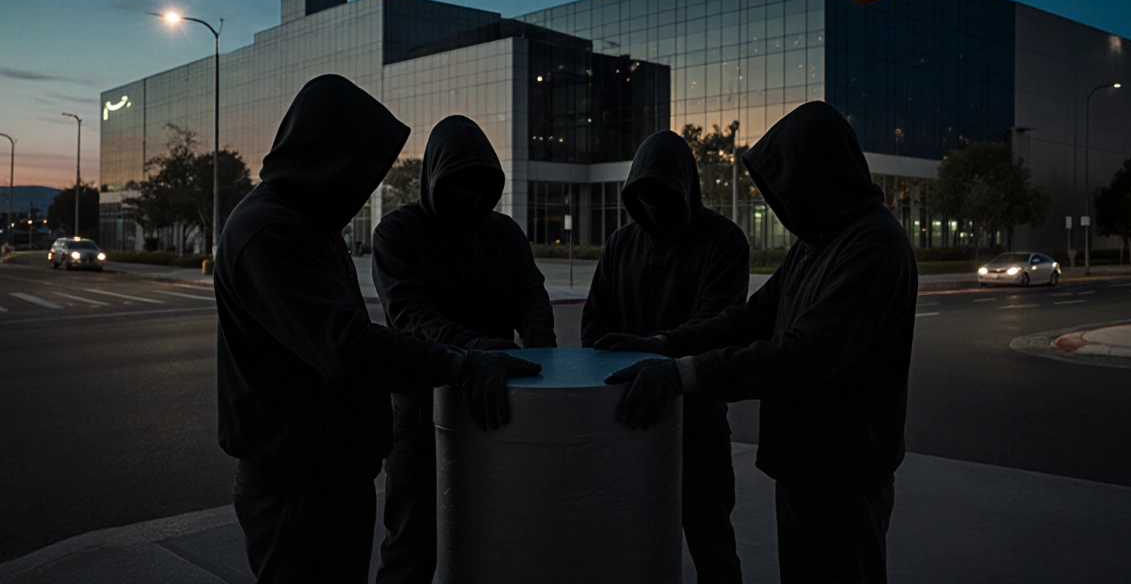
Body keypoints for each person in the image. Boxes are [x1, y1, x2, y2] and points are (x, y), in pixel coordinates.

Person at [215, 75, 540, 583]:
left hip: (334, 473)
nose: (364, 184)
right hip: (296, 483)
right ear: (326, 153)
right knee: (407, 550)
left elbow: (529, 295)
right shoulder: (270, 230)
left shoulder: (308, 226)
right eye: (359, 167)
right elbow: (347, 344)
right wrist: (464, 361)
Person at [598, 101, 918, 583]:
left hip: (844, 472)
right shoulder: (820, 241)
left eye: (790, 190)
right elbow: (751, 318)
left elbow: (805, 353)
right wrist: (661, 344)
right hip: (805, 464)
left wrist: (684, 373)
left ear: (820, 176)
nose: (784, 206)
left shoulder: (872, 245)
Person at [372, 114, 557, 584]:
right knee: (410, 543)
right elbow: (410, 314)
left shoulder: (504, 232)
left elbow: (531, 296)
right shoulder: (397, 233)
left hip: (498, 402)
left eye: (480, 187)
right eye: (457, 186)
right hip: (420, 407)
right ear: (434, 179)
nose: (469, 199)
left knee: (498, 533)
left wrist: (545, 353)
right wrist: (475, 351)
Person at [581, 129, 749, 583]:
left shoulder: (724, 241)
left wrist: (656, 348)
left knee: (712, 546)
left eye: (663, 194)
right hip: (627, 418)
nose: (654, 205)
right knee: (628, 547)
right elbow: (594, 329)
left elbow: (719, 325)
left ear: (685, 188)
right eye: (644, 195)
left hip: (698, 421)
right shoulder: (621, 245)